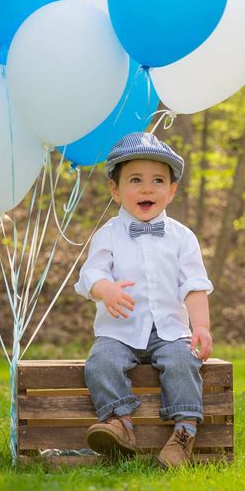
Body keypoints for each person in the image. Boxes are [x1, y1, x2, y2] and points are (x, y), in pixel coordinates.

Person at [74, 132, 213, 467]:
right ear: (115, 190)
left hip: (169, 330)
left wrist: (202, 327)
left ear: (172, 191)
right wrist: (104, 288)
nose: (147, 188)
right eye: (135, 180)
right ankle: (119, 422)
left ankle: (183, 433)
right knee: (101, 362)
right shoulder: (107, 234)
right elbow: (89, 274)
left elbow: (193, 285)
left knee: (183, 361)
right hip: (120, 331)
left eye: (158, 181)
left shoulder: (183, 237)